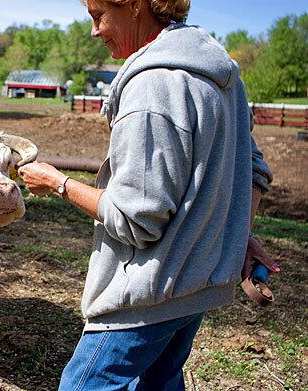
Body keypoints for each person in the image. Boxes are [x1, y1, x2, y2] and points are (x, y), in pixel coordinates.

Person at [17, 0, 275, 389]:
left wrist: (58, 183)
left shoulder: (152, 89)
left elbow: (136, 219)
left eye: (98, 15)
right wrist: (238, 233)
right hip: (197, 284)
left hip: (151, 292)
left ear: (136, 5)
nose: (94, 30)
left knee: (85, 383)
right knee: (159, 379)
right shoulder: (220, 77)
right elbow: (250, 167)